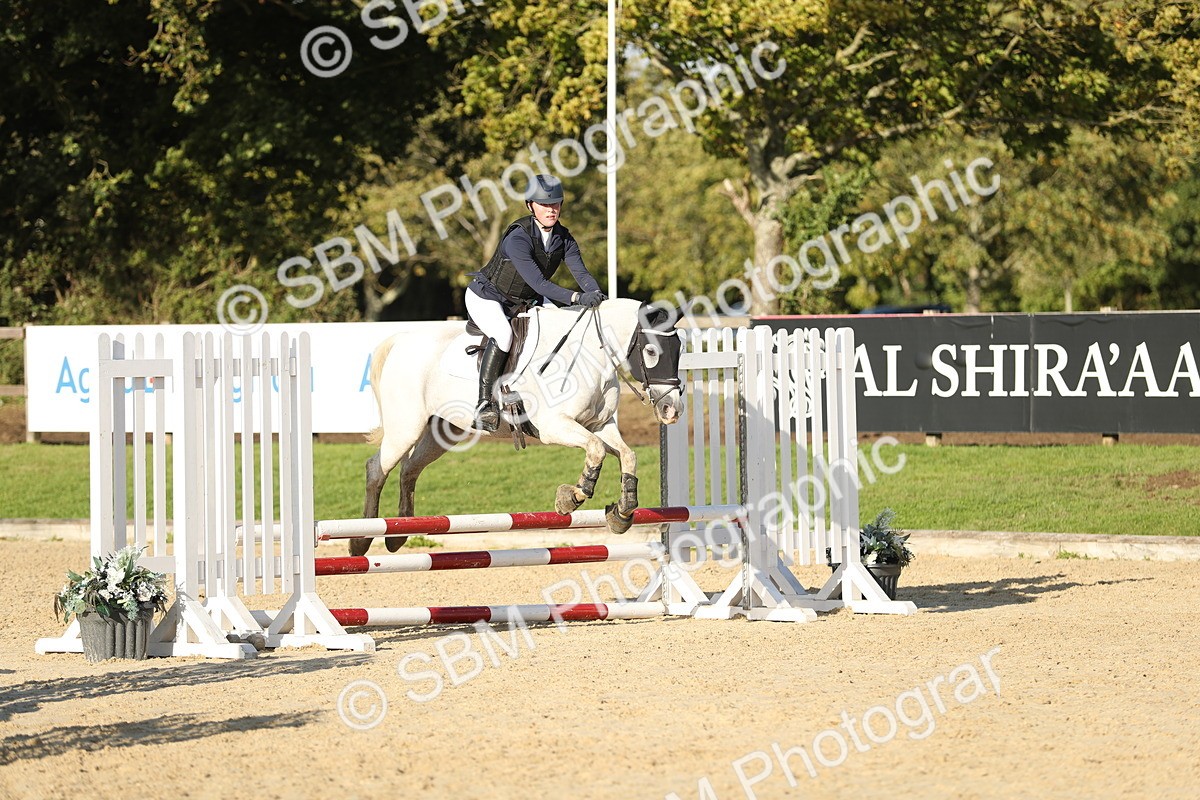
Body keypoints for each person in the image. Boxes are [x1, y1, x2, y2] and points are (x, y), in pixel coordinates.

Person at [464, 174, 606, 432]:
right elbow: (541, 283)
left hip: (524, 299)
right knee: (504, 334)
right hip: (488, 296)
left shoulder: (564, 238)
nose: (552, 210)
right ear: (531, 206)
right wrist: (576, 298)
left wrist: (597, 296)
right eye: (545, 205)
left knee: (559, 326)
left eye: (556, 204)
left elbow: (582, 274)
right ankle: (484, 404)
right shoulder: (517, 239)